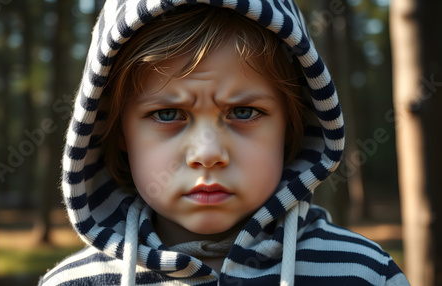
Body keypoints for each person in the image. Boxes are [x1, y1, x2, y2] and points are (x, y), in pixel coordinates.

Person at [38, 1, 409, 285]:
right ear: (118, 131)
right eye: (168, 115)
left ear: (293, 123)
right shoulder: (72, 282)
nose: (208, 154)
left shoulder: (364, 273)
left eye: (244, 112)